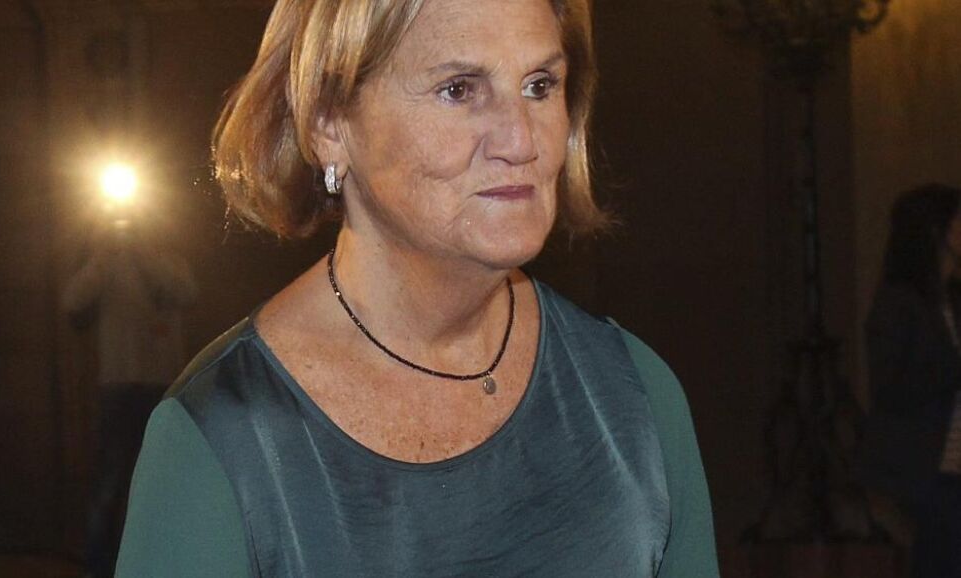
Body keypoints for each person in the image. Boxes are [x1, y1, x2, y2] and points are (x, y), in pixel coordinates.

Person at [116, 0, 719, 576]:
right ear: (329, 124)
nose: (522, 141)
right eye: (458, 90)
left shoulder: (632, 397)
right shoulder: (223, 438)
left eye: (539, 85)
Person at [64, 216, 197, 578]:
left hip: (163, 386)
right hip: (119, 384)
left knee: (164, 476)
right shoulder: (106, 262)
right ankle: (99, 566)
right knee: (110, 478)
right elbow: (73, 300)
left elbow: (186, 292)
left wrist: (142, 252)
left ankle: (165, 561)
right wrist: (103, 255)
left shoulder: (168, 261)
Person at [861, 184, 961, 578]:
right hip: (927, 470)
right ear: (938, 231)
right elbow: (889, 387)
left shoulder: (951, 300)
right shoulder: (898, 304)